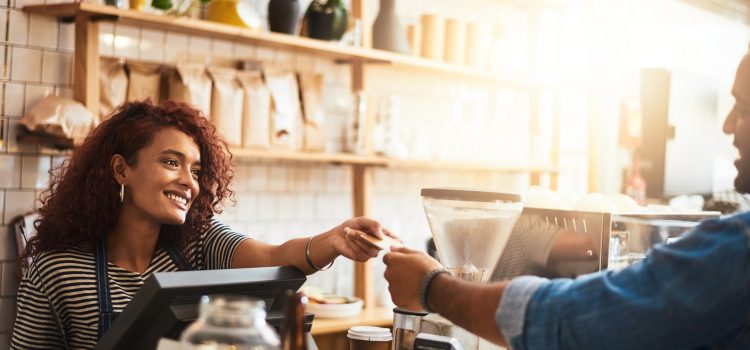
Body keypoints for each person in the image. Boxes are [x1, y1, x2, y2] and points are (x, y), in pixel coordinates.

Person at [383, 49, 750, 350]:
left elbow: (580, 320)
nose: (726, 125)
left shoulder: (739, 248)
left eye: (743, 108)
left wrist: (433, 287)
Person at [11, 100, 393, 349]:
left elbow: (275, 259)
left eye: (195, 170)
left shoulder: (199, 243)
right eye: (171, 162)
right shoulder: (56, 270)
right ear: (121, 169)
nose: (189, 182)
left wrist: (334, 240)